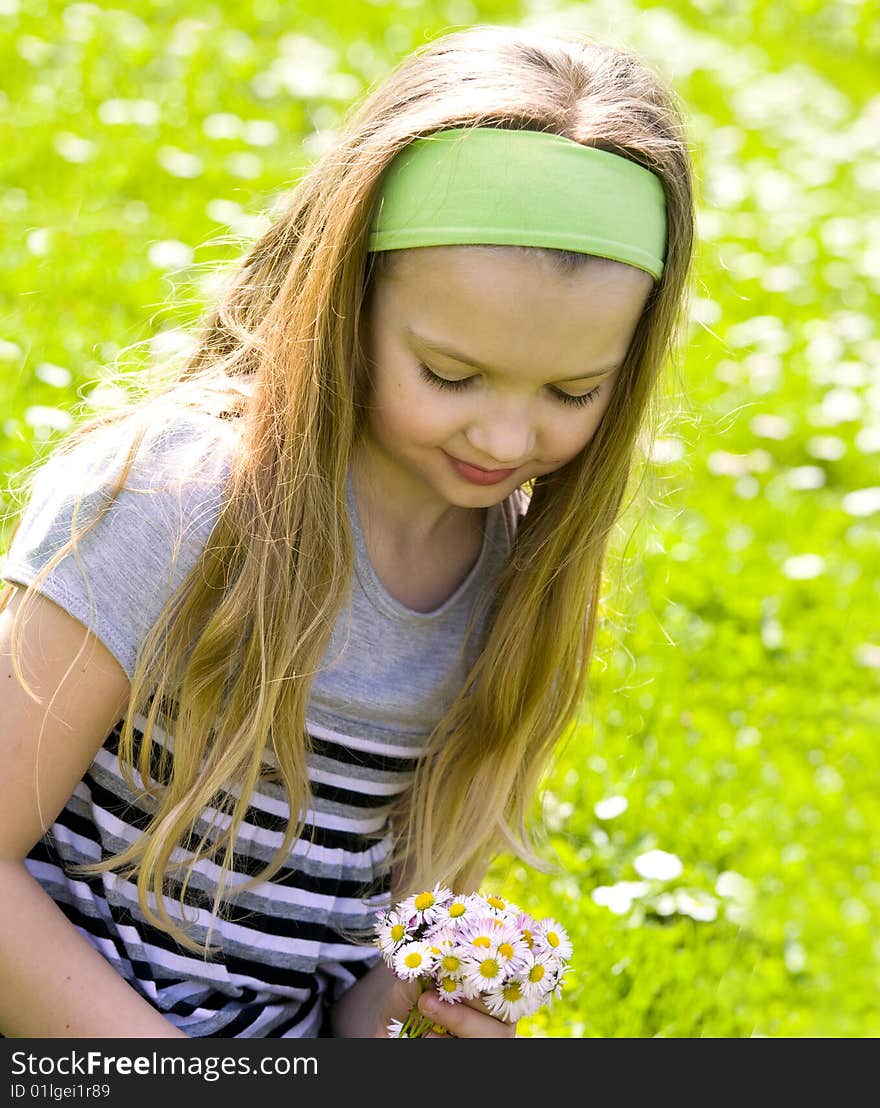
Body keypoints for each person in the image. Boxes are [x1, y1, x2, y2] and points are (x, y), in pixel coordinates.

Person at [0, 23, 695, 1038]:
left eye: (572, 389)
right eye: (450, 374)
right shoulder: (168, 501)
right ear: (345, 301)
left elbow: (367, 958)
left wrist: (417, 1006)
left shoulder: (514, 579)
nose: (505, 434)